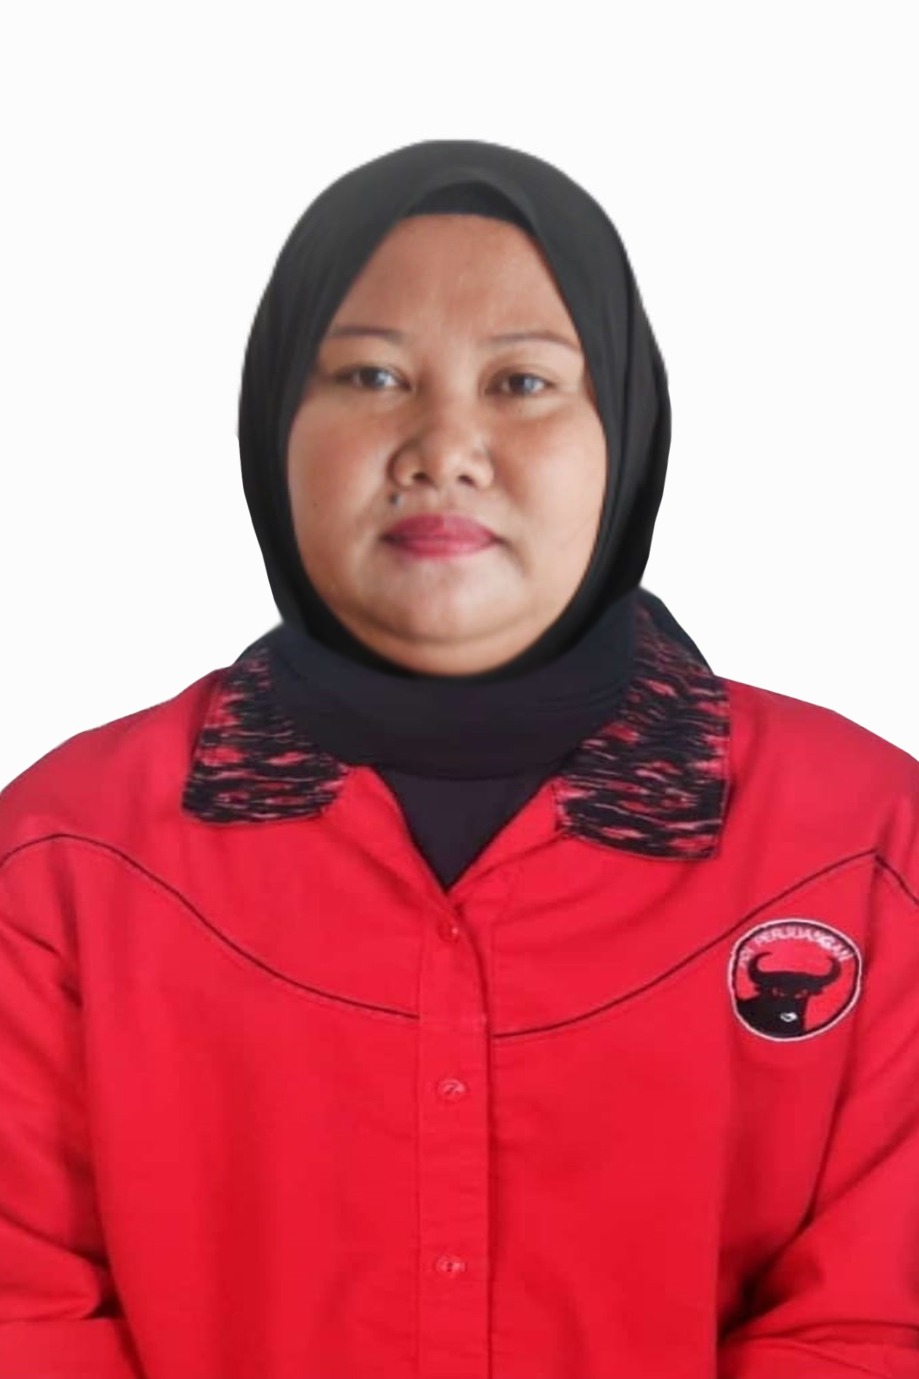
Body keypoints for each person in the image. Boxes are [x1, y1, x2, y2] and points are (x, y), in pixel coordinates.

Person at [0, 138, 917, 1379]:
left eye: (522, 381)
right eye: (371, 374)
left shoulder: (863, 846)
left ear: (625, 427)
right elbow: (23, 1312)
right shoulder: (66, 856)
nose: (443, 447)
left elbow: (873, 1325)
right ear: (274, 420)